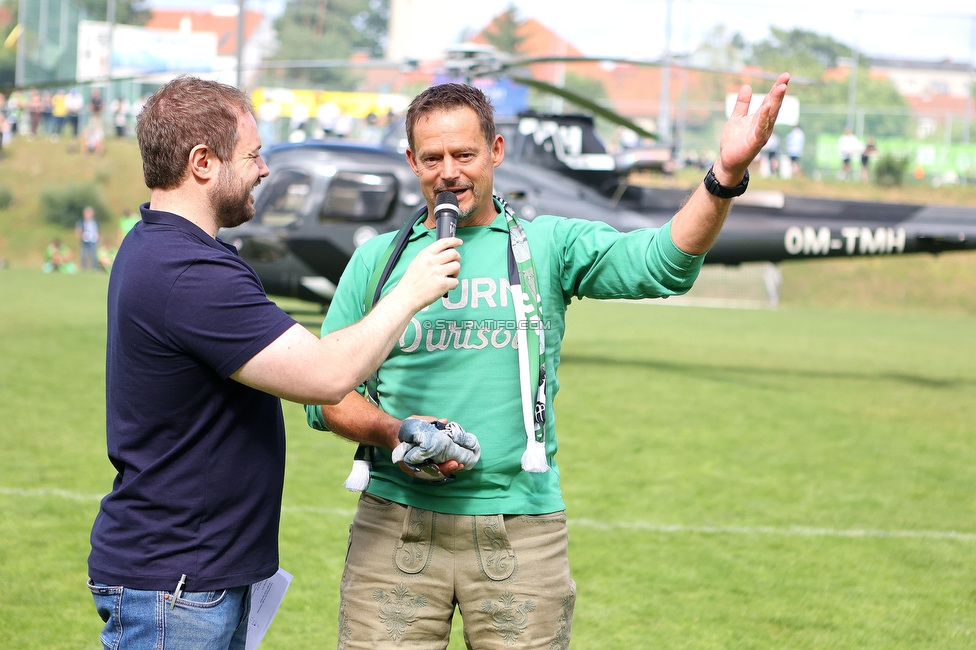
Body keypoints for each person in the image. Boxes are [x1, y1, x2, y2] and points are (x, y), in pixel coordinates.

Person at [306, 75, 791, 648]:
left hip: (522, 534)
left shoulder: (548, 245)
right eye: (432, 158)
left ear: (496, 152)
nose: (448, 173)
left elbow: (662, 263)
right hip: (393, 528)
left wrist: (725, 175)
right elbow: (324, 394)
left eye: (464, 154)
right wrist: (397, 431)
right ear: (411, 161)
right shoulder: (376, 261)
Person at [86, 75, 464, 650]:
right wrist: (410, 292)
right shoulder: (187, 272)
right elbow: (324, 376)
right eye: (255, 155)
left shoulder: (162, 249)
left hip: (195, 576)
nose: (264, 169)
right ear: (204, 162)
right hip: (177, 587)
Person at [75, 205, 100, 271]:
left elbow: (97, 230)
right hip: (85, 240)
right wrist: (80, 236)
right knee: (84, 254)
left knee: (94, 255)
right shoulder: (81, 221)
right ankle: (83, 268)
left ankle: (94, 268)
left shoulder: (95, 222)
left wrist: (98, 237)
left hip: (93, 240)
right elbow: (78, 230)